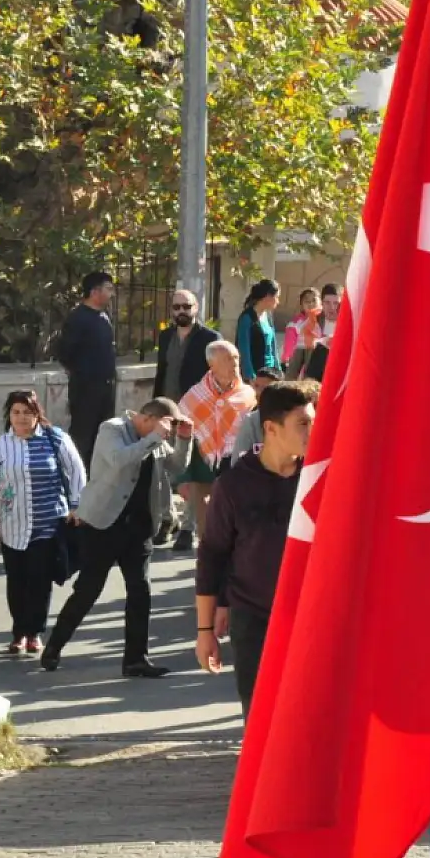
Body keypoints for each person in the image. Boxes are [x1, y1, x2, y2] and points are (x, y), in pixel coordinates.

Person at [41, 397, 193, 677]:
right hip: (103, 523)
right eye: (164, 427)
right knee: (88, 589)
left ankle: (135, 659)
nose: (166, 434)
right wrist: (156, 437)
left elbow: (176, 467)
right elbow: (118, 460)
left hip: (139, 527)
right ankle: (54, 647)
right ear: (147, 418)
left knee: (140, 591)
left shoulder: (155, 437)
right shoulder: (112, 429)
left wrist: (184, 439)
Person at [193, 380, 315, 718]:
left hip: (314, 619)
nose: (312, 431)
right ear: (271, 428)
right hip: (255, 620)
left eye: (314, 422)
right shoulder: (234, 485)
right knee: (262, 717)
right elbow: (212, 555)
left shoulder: (321, 478)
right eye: (303, 423)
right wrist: (205, 632)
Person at [0, 390, 86, 656]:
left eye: (27, 412)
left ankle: (34, 633)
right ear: (9, 416)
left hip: (47, 523)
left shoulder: (55, 439)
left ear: (36, 414)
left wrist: (77, 506)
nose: (21, 418)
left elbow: (77, 472)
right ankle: (18, 632)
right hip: (11, 525)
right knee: (17, 580)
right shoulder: (0, 446)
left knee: (39, 579)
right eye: (16, 413)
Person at [173, 341, 256, 554]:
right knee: (203, 516)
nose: (235, 363)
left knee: (231, 513)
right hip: (202, 461)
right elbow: (181, 431)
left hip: (234, 462)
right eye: (228, 359)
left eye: (236, 358)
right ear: (212, 365)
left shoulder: (248, 394)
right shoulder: (195, 395)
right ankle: (198, 545)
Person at [58, 270, 117, 466]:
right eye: (108, 289)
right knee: (82, 437)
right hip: (86, 389)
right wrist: (82, 373)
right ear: (94, 291)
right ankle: (76, 478)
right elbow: (66, 352)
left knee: (103, 435)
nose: (112, 294)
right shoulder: (78, 318)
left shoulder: (103, 316)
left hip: (106, 388)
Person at [153, 289, 221, 402]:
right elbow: (161, 373)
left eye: (186, 306)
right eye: (176, 307)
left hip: (197, 407)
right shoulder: (165, 336)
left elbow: (218, 377)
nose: (181, 311)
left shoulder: (210, 338)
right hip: (168, 407)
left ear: (196, 307)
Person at [234, 279, 282, 381]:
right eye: (276, 297)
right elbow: (244, 349)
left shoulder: (268, 316)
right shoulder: (247, 318)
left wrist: (278, 370)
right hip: (256, 373)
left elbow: (273, 346)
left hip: (271, 373)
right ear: (268, 296)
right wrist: (249, 376)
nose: (278, 301)